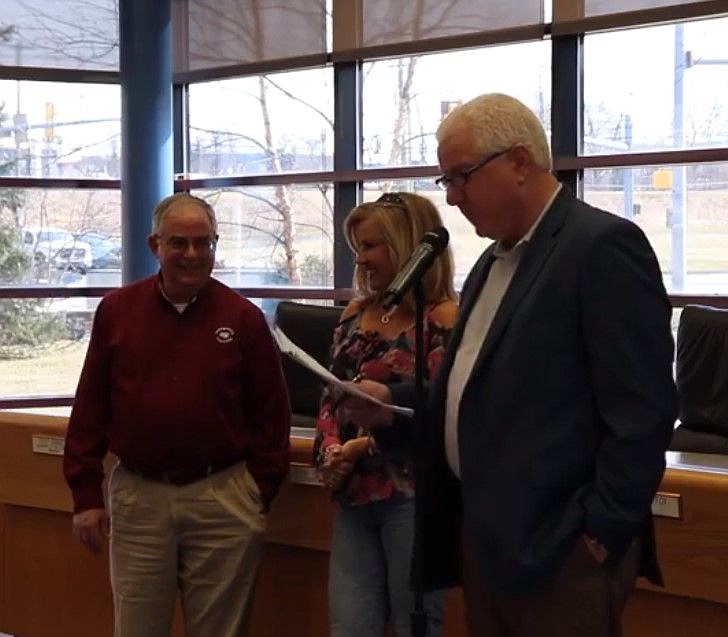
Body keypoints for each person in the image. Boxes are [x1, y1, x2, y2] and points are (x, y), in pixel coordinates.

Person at [342, 94, 678, 637]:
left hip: (564, 551)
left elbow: (644, 408)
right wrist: (393, 405)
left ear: (519, 163)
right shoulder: (491, 263)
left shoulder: (601, 247)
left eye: (461, 177)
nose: (451, 199)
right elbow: (471, 394)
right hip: (487, 542)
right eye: (444, 182)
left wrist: (600, 531)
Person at [63, 192, 291, 637]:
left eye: (203, 243)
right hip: (140, 499)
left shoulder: (242, 319)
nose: (192, 255)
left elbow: (272, 415)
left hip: (223, 498)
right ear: (155, 246)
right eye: (179, 243)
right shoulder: (117, 312)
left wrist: (256, 492)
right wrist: (85, 495)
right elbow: (91, 405)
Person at [314, 192, 458, 637]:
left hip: (413, 496)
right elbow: (330, 394)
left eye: (371, 246)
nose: (361, 259)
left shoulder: (447, 319)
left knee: (416, 624)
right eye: (357, 247)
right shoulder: (355, 314)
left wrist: (363, 444)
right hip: (356, 497)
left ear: (407, 247)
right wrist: (334, 448)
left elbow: (446, 409)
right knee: (350, 625)